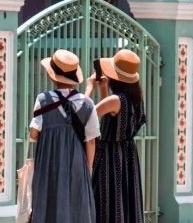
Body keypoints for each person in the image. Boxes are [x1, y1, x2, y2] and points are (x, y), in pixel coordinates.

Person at [28, 49, 100, 223]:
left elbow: (33, 134)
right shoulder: (87, 104)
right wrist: (87, 169)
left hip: (48, 161)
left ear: (52, 76)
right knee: (77, 207)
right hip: (77, 162)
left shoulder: (43, 99)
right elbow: (91, 142)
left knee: (47, 204)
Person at [86, 49, 146, 223]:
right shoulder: (136, 100)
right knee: (125, 201)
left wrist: (90, 86)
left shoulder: (115, 100)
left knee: (107, 201)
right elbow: (113, 116)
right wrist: (104, 89)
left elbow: (84, 114)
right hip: (127, 156)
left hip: (109, 158)